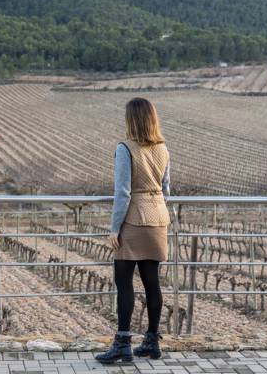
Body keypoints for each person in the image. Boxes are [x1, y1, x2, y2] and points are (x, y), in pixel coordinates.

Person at [96, 97, 171, 364]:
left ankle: (123, 343)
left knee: (124, 282)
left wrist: (114, 227)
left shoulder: (125, 149)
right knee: (152, 282)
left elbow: (123, 192)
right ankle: (152, 341)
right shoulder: (163, 148)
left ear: (131, 120)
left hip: (134, 220)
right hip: (158, 218)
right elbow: (167, 188)